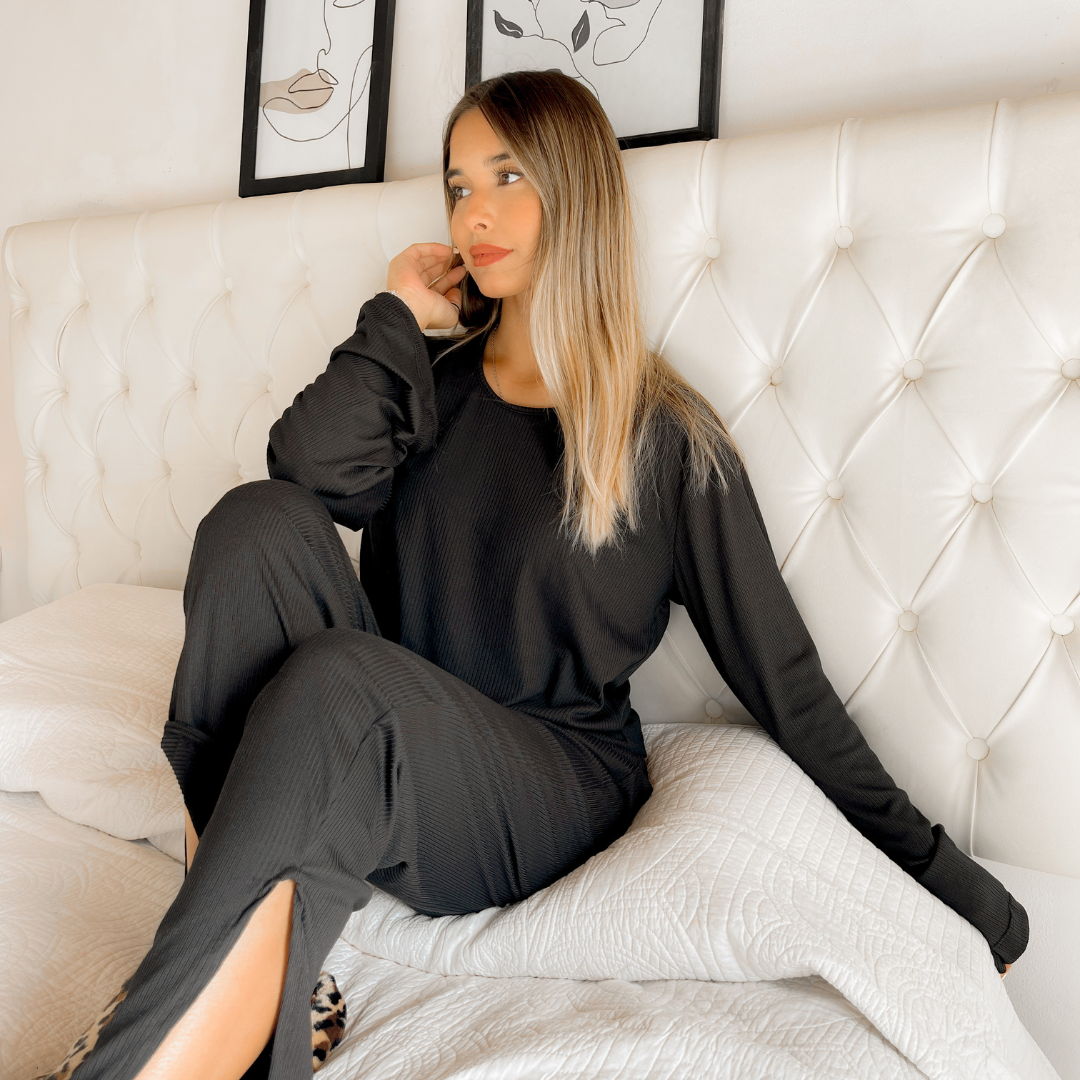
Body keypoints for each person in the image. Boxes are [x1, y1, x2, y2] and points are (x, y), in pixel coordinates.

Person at [70, 70, 1026, 1080]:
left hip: (548, 789)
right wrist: (397, 315)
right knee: (253, 525)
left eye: (507, 177)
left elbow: (787, 685)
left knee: (340, 686)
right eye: (457, 187)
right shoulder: (429, 388)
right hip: (395, 739)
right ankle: (257, 966)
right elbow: (304, 474)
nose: (474, 214)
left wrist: (952, 881)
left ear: (574, 191)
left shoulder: (664, 439)